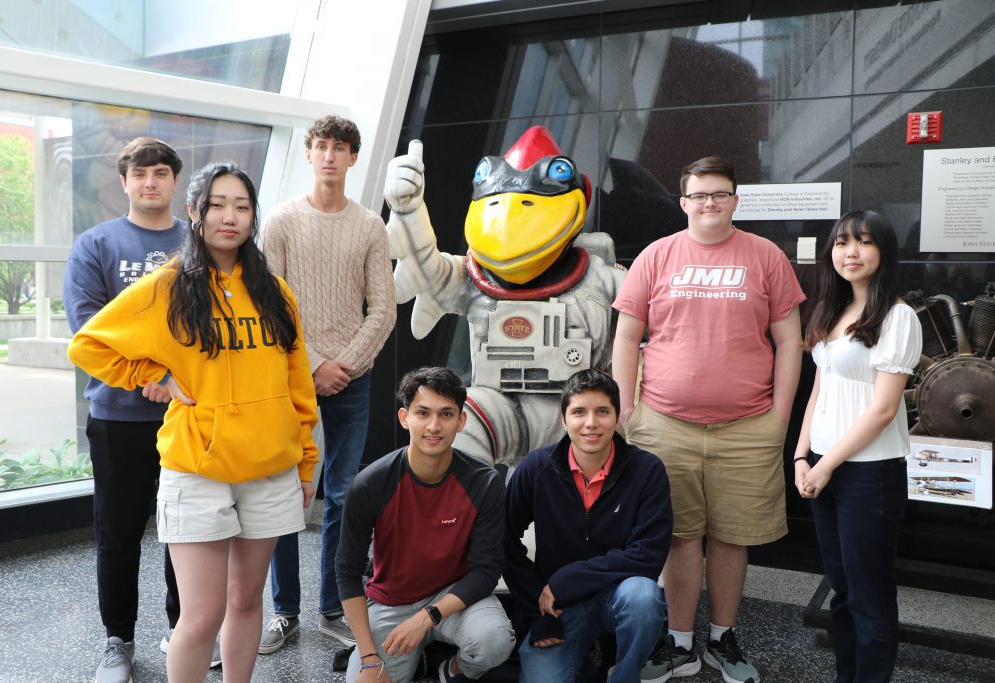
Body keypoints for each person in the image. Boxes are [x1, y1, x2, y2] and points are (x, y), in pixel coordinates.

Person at [67, 161, 320, 683]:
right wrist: (150, 373)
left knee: (247, 602)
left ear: (254, 217)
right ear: (194, 212)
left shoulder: (275, 293)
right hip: (198, 468)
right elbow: (88, 344)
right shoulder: (167, 288)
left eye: (242, 206)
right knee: (201, 615)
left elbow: (299, 387)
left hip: (271, 468)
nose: (231, 217)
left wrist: (306, 463)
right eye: (218, 205)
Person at [611, 156, 805, 683]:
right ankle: (677, 642)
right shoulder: (657, 255)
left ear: (736, 199)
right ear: (684, 203)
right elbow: (627, 338)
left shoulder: (765, 257)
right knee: (676, 535)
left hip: (747, 427)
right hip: (664, 423)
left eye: (720, 194)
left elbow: (790, 341)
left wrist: (779, 417)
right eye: (700, 195)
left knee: (731, 536)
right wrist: (627, 410)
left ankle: (722, 637)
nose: (710, 203)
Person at [63, 137, 203, 683]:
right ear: (124, 182)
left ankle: (182, 631)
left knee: (185, 532)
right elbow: (87, 326)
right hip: (118, 416)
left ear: (174, 182)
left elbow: (209, 322)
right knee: (118, 533)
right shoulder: (96, 244)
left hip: (187, 415)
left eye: (161, 172)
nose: (150, 182)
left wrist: (174, 380)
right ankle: (117, 641)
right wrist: (152, 375)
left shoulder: (197, 243)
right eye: (140, 173)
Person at [259, 114, 396, 653]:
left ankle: (334, 603)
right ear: (310, 154)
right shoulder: (282, 221)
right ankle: (284, 610)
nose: (330, 156)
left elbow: (382, 310)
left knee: (343, 492)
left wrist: (345, 365)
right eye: (321, 146)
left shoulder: (369, 226)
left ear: (354, 158)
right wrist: (314, 363)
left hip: (351, 380)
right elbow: (270, 306)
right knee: (284, 493)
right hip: (291, 377)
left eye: (341, 148)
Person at [795, 210, 922, 682]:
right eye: (842, 243)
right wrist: (801, 455)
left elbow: (884, 409)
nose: (851, 252)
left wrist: (825, 465)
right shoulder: (830, 309)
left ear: (883, 251)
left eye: (864, 242)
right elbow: (820, 390)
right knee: (843, 589)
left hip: (869, 473)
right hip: (825, 467)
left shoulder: (898, 316)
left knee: (870, 596)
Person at [336, 366, 516, 683]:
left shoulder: (484, 482)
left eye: (446, 414)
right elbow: (347, 571)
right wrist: (367, 657)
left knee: (494, 640)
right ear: (405, 417)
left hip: (456, 596)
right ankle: (411, 662)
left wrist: (427, 617)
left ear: (461, 421)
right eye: (423, 413)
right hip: (392, 601)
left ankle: (453, 671)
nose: (434, 426)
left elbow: (486, 571)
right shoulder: (371, 484)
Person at [503, 369, 673, 682]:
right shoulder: (535, 468)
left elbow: (648, 554)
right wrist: (534, 611)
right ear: (564, 420)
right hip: (558, 606)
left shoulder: (648, 470)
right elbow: (503, 542)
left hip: (617, 594)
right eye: (579, 412)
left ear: (617, 417)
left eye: (602, 411)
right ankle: (589, 655)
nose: (591, 423)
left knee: (644, 597)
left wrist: (566, 579)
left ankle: (623, 675)